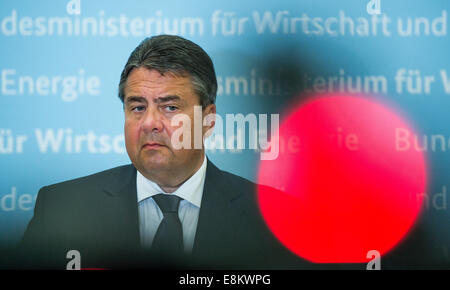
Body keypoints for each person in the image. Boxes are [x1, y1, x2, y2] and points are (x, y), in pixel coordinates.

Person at [19, 35, 302, 270]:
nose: (150, 123)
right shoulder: (60, 209)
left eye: (170, 107)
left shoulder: (277, 221)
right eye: (138, 107)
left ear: (208, 121)